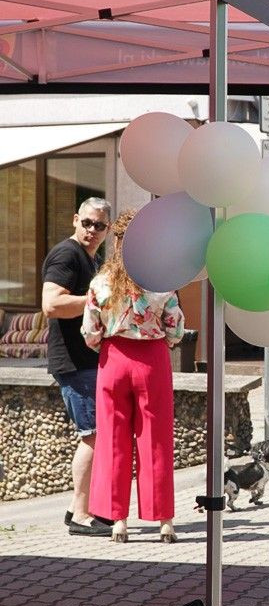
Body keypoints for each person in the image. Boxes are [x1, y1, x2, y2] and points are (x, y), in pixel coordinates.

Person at [81, 210, 185, 544]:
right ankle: (164, 520)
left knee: (112, 439)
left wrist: (107, 342)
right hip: (151, 360)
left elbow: (90, 331)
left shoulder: (101, 282)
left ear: (117, 242)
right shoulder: (161, 280)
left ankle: (118, 521)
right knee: (155, 439)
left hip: (113, 360)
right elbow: (177, 329)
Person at [41, 197, 113, 537]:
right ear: (75, 220)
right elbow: (51, 304)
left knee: (95, 435)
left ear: (107, 229)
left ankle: (77, 508)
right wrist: (96, 298)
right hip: (73, 362)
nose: (91, 230)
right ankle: (82, 515)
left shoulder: (93, 257)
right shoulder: (67, 254)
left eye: (99, 225)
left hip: (86, 360)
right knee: (92, 437)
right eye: (86, 222)